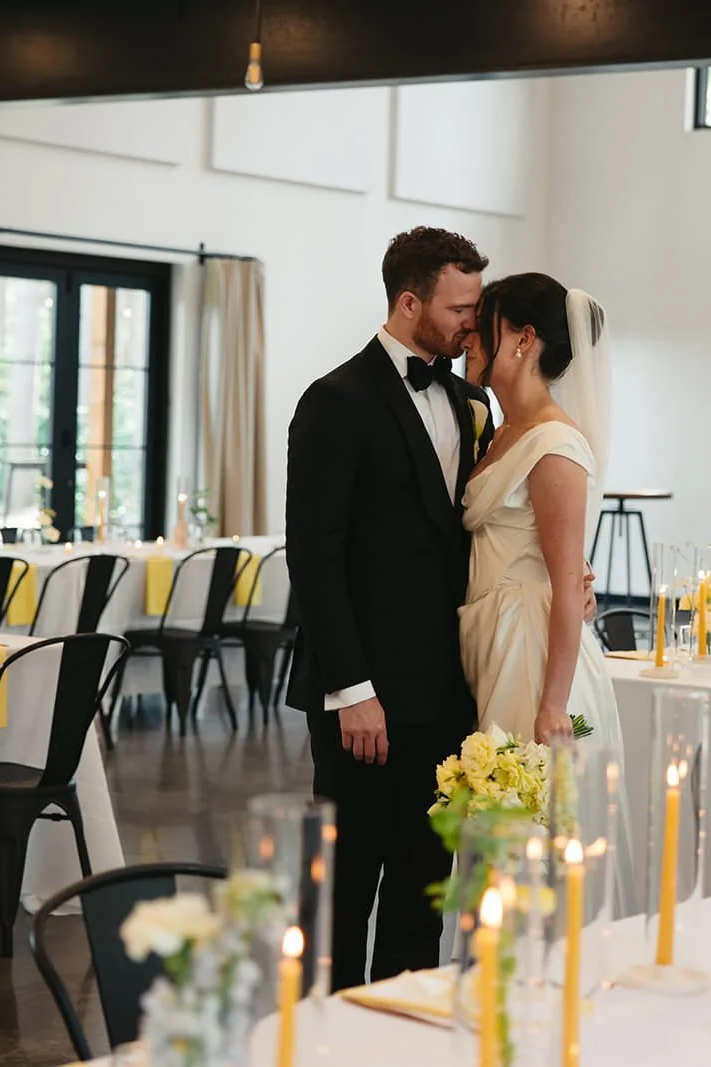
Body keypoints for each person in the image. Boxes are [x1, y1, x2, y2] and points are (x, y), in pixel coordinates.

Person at [285, 227, 492, 991]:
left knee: (420, 895)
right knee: (343, 897)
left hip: (445, 696)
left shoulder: (472, 402)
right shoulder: (335, 401)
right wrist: (352, 689)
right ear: (409, 303)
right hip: (363, 700)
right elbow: (315, 558)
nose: (472, 322)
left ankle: (401, 1032)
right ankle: (323, 1035)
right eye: (459, 308)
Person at [457, 271, 624, 803]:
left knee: (524, 814)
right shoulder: (501, 432)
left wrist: (553, 704)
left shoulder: (555, 445)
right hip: (493, 637)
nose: (468, 339)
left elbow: (567, 582)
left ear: (524, 339)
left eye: (483, 325)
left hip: (530, 650)